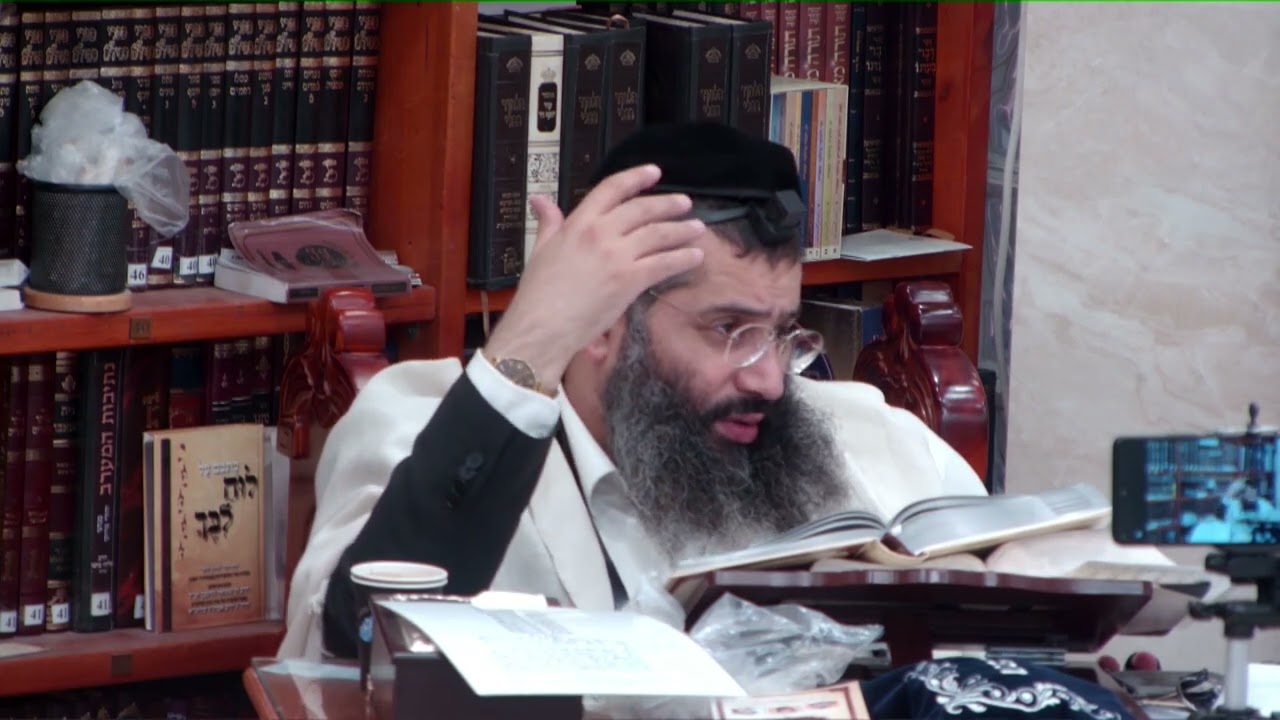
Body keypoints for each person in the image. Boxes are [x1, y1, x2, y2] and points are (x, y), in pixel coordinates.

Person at [279, 122, 988, 661]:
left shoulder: (875, 442)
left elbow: (1028, 605)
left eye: (781, 334)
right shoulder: (426, 426)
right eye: (729, 330)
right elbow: (347, 642)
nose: (769, 378)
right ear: (601, 322)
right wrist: (530, 343)